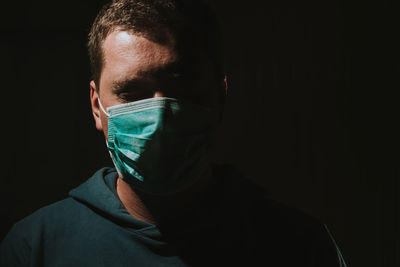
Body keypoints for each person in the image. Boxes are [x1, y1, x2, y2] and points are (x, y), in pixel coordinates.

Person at [0, 0, 347, 266]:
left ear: (220, 95)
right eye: (132, 92)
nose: (160, 116)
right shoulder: (37, 248)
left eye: (180, 87)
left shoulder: (298, 244)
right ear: (96, 107)